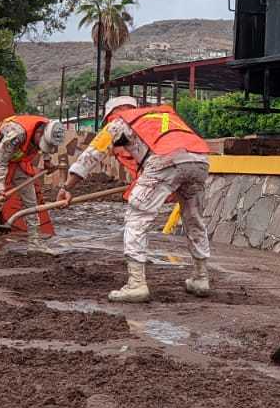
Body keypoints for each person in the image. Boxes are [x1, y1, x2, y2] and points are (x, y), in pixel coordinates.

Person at [56, 96, 211, 302]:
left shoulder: (121, 121)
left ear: (113, 113)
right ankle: (201, 278)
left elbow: (92, 155)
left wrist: (67, 187)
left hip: (164, 159)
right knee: (194, 219)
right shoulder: (158, 117)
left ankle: (136, 284)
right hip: (200, 160)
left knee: (137, 219)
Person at [0, 114, 68, 259]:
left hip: (18, 158)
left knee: (31, 201)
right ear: (39, 132)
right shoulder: (17, 134)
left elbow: (46, 144)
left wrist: (47, 160)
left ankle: (35, 243)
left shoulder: (50, 128)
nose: (42, 146)